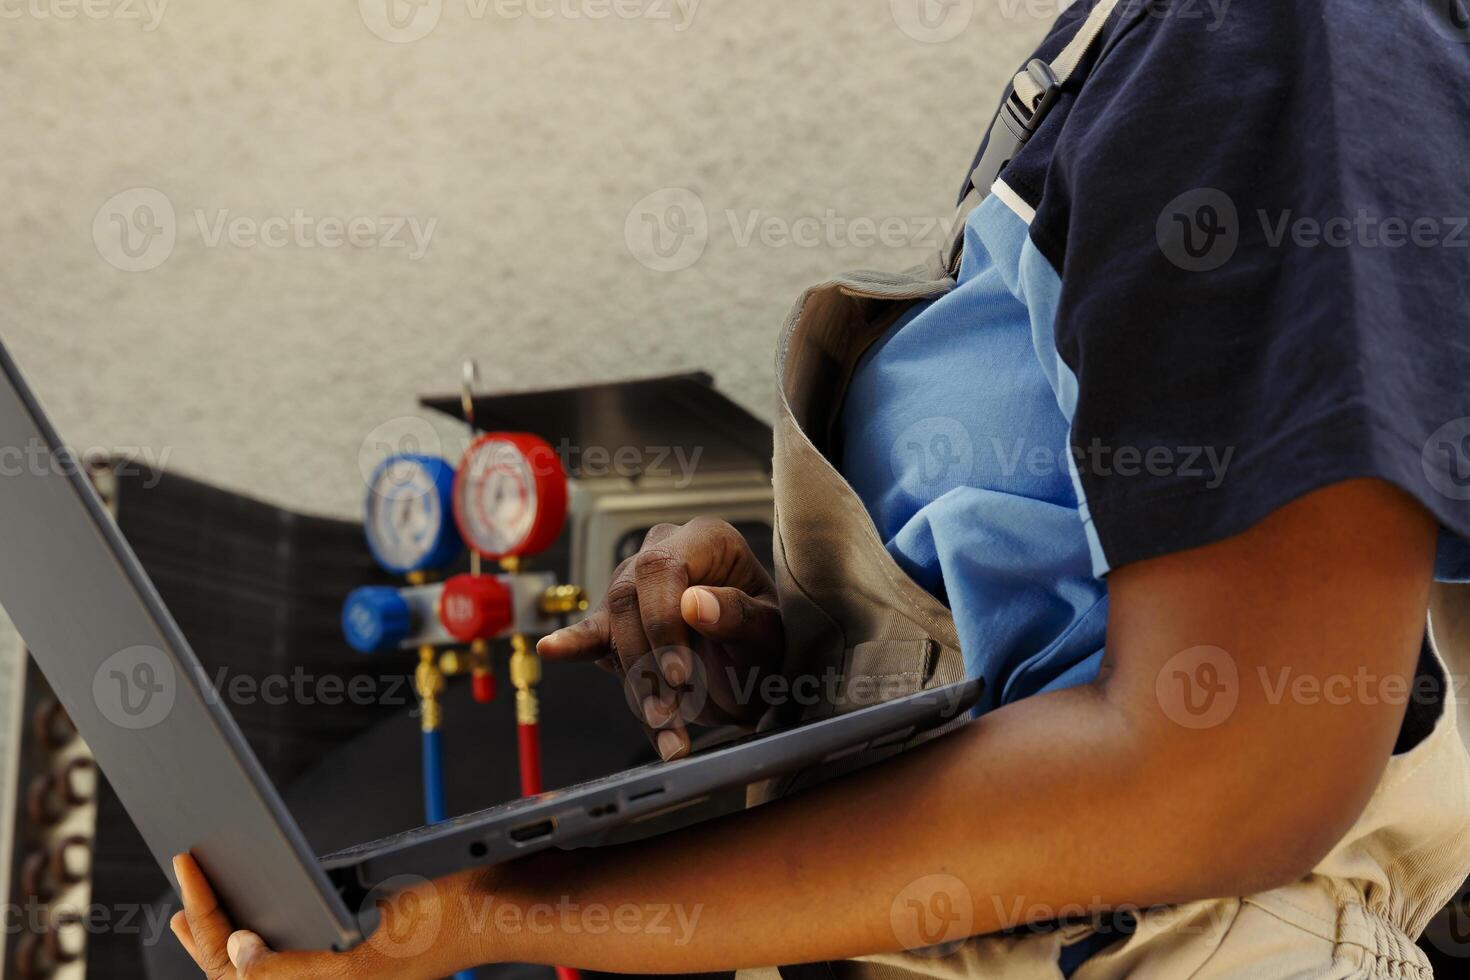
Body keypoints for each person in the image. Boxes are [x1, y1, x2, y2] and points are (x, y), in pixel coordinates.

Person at [170, 0, 1470, 976]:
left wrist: (509, 908)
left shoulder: (1278, 37)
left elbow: (1226, 777)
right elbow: (1080, 614)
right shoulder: (1176, 52)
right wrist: (794, 645)